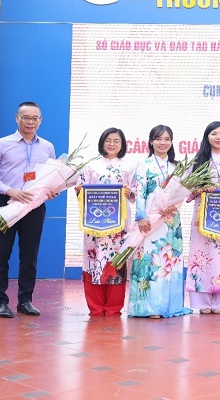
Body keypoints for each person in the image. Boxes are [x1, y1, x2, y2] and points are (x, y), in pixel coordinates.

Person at [0, 101, 57, 318]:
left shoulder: (47, 147)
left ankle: (25, 300)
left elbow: (51, 177)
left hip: (34, 206)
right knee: (1, 253)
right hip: (7, 203)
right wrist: (9, 190)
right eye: (26, 117)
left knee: (30, 255)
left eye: (35, 118)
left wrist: (52, 191)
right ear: (17, 118)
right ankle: (0, 302)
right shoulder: (2, 144)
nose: (30, 122)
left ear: (40, 120)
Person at [129, 125, 190, 318]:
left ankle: (169, 306)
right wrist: (141, 217)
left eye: (167, 139)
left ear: (171, 142)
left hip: (171, 219)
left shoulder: (178, 167)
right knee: (149, 258)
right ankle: (148, 307)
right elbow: (140, 192)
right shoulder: (143, 164)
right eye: (158, 139)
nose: (163, 142)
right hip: (151, 217)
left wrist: (175, 206)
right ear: (151, 142)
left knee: (170, 260)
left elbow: (182, 192)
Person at [75, 128, 135, 316]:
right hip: (94, 222)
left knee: (116, 261)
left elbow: (135, 195)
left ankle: (113, 307)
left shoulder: (129, 167)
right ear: (102, 142)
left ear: (122, 145)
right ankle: (95, 306)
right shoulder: (90, 166)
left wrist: (130, 192)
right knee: (94, 260)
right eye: (108, 140)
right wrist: (79, 190)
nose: (112, 144)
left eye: (116, 141)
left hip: (119, 225)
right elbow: (80, 192)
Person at [186, 121, 220, 314]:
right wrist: (201, 189)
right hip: (202, 215)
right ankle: (202, 302)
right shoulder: (198, 161)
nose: (219, 137)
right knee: (201, 256)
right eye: (214, 134)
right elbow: (186, 189)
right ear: (207, 137)